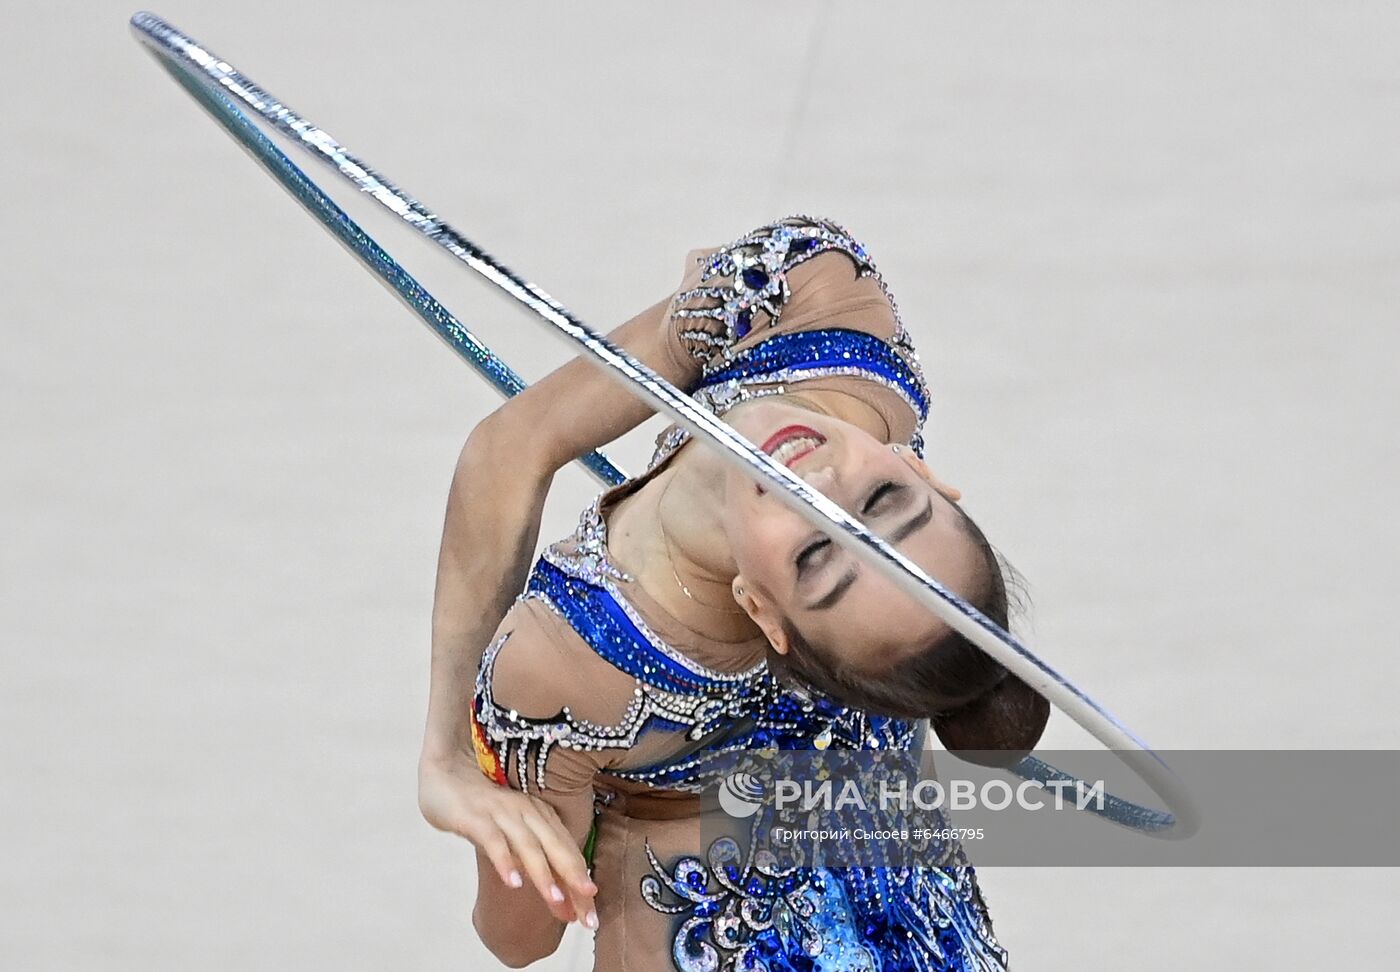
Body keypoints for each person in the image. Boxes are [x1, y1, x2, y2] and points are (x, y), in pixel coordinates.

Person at [419, 216, 1047, 969]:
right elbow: (517, 443)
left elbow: (517, 937)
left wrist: (460, 755)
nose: (818, 488)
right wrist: (459, 754)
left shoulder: (568, 661)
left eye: (818, 556)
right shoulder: (816, 294)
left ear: (761, 612)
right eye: (882, 500)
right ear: (925, 476)